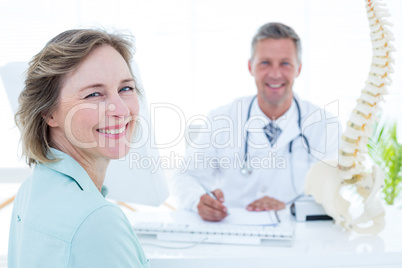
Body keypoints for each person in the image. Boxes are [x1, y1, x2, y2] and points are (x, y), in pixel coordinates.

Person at [171, 22, 340, 222]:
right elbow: (185, 177)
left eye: (285, 63)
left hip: (298, 237)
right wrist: (198, 200)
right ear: (251, 66)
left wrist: (290, 208)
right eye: (265, 63)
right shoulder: (222, 119)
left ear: (299, 68)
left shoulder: (325, 126)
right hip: (234, 231)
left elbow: (333, 192)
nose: (275, 74)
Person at [8, 29, 149, 267]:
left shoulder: (30, 190)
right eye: (94, 94)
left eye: (126, 88)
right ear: (49, 113)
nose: (121, 110)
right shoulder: (98, 221)